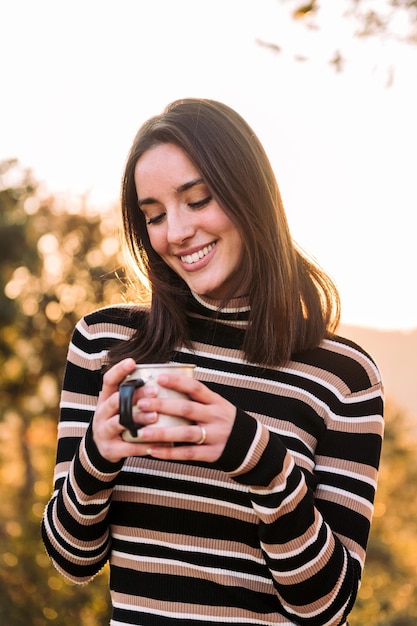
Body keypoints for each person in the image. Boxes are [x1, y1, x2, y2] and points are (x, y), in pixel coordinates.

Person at [42, 98, 384, 626]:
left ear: (250, 195)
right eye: (153, 215)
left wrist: (258, 459)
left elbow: (327, 609)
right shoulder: (106, 343)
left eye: (197, 200)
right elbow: (72, 560)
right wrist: (96, 455)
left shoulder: (341, 378)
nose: (174, 232)